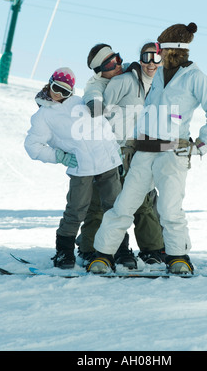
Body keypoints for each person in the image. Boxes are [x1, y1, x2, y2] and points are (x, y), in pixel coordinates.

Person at [87, 23, 207, 275]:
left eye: (159, 50)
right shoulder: (158, 75)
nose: (156, 56)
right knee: (124, 205)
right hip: (144, 152)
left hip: (173, 152)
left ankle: (178, 257)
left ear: (174, 50)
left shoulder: (196, 78)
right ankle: (103, 255)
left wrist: (201, 144)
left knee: (170, 208)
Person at [24, 67, 123, 269]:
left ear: (72, 92)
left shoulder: (82, 103)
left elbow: (104, 127)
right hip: (81, 167)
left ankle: (120, 250)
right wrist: (59, 156)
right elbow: (32, 146)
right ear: (49, 84)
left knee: (114, 208)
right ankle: (64, 252)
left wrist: (115, 153)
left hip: (107, 163)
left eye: (65, 91)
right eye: (56, 88)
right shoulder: (43, 115)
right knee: (76, 210)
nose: (59, 94)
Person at [77, 43, 165, 269]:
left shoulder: (141, 76)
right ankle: (96, 248)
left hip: (141, 148)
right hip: (109, 150)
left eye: (116, 58)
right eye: (109, 63)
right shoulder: (108, 82)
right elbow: (95, 97)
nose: (116, 64)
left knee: (144, 200)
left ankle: (154, 249)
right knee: (104, 202)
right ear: (99, 70)